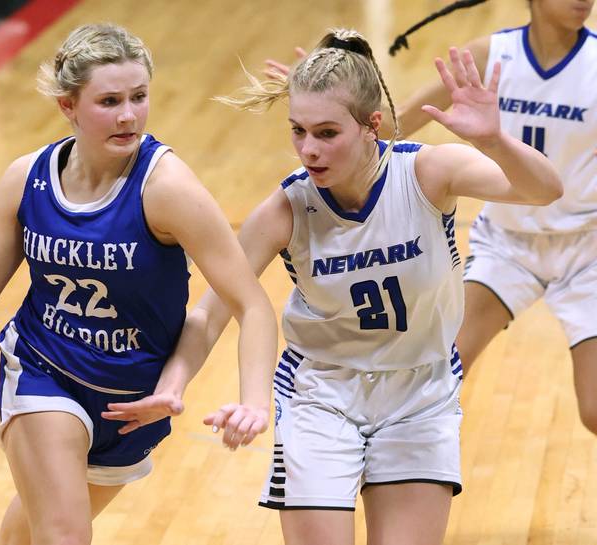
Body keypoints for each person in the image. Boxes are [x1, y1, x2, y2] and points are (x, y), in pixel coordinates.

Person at [109, 27, 562, 544]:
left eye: (326, 133)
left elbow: (544, 190)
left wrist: (493, 142)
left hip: (420, 392)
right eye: (297, 130)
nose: (308, 149)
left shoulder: (427, 173)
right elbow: (211, 312)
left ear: (372, 126)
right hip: (321, 394)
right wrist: (172, 387)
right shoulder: (288, 207)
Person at [0, 22, 277, 545]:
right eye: (109, 100)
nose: (128, 114)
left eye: (139, 97)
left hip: (131, 402)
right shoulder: (27, 179)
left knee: (22, 538)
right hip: (43, 371)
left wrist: (251, 399)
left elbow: (249, 304)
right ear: (68, 106)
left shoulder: (168, 188)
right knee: (65, 536)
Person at [264, 0, 597, 437]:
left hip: (587, 249)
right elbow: (391, 126)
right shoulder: (488, 56)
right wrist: (324, 101)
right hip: (507, 247)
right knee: (441, 375)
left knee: (594, 410)